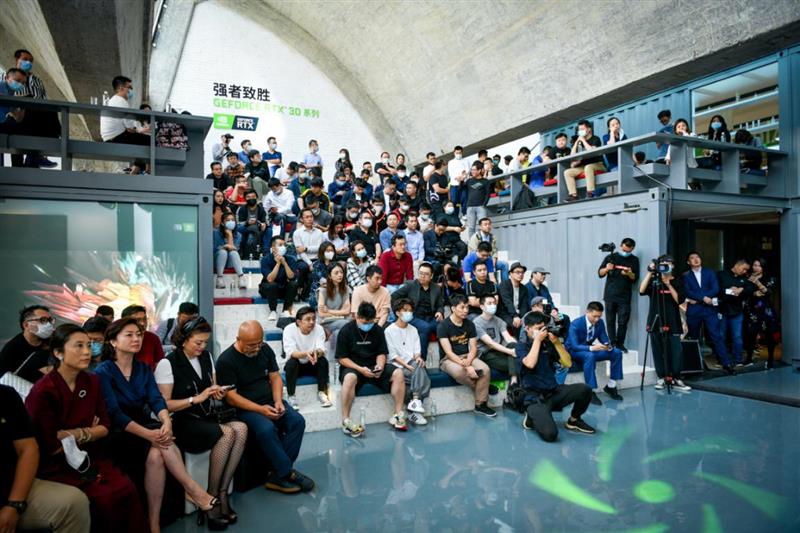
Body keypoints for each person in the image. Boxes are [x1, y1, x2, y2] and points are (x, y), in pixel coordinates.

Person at [94, 318, 219, 533]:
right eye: (129, 335)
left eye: (139, 334)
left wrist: (167, 421)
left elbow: (156, 399)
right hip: (119, 430)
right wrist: (150, 434)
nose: (136, 339)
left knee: (156, 455)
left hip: (145, 424)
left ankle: (154, 522)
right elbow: (114, 413)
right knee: (161, 444)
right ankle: (192, 490)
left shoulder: (142, 368)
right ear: (113, 341)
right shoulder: (103, 371)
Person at [23, 324, 146, 533]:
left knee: (127, 489)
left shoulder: (92, 381)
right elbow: (50, 443)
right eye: (79, 346)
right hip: (57, 465)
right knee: (103, 499)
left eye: (89, 345)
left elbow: (105, 426)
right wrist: (89, 431)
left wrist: (75, 434)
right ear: (58, 353)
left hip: (92, 456)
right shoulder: (44, 391)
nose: (87, 352)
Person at [155, 316, 248, 525]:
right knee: (227, 433)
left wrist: (217, 392)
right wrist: (195, 399)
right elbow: (164, 404)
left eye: (205, 342)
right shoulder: (168, 363)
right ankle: (211, 498)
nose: (203, 347)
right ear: (184, 339)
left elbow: (211, 389)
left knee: (241, 428)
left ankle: (221, 491)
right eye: (198, 342)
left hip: (205, 417)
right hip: (183, 421)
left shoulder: (207, 357)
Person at [216, 321, 312, 494]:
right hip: (245, 408)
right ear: (238, 339)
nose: (256, 348)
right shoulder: (226, 360)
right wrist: (260, 410)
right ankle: (286, 472)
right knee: (266, 429)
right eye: (251, 345)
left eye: (259, 343)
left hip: (270, 401)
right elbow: (231, 397)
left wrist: (278, 401)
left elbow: (275, 377)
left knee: (297, 421)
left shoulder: (265, 349)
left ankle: (277, 473)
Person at [1, 383, 91, 533]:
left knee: (75, 502)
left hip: (12, 486)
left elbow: (28, 449)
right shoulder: (43, 389)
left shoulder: (6, 395)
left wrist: (15, 504)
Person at [517, 312, 596, 441]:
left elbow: (568, 363)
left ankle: (574, 420)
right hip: (534, 397)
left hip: (553, 392)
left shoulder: (547, 344)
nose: (542, 331)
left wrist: (556, 343)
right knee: (550, 435)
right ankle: (531, 418)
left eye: (544, 328)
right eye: (538, 328)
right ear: (527, 328)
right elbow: (530, 364)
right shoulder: (521, 346)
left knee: (585, 389)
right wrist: (537, 340)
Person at [337, 303, 408, 436]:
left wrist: (380, 366)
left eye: (371, 322)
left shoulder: (377, 330)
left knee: (398, 373)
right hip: (354, 366)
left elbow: (382, 353)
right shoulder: (346, 331)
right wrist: (360, 369)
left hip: (373, 366)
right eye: (365, 322)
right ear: (357, 317)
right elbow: (342, 358)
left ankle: (398, 414)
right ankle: (346, 420)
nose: (368, 325)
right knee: (350, 378)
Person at [438, 294, 496, 417]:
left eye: (467, 307)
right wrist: (467, 366)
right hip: (448, 359)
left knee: (485, 369)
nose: (466, 310)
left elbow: (473, 347)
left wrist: (468, 361)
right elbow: (448, 352)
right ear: (453, 308)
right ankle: (483, 387)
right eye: (462, 307)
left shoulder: (470, 324)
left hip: (468, 356)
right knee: (459, 372)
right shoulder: (443, 325)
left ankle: (480, 405)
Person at [639, 257, 692, 391]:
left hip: (673, 320)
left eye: (668, 264)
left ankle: (676, 377)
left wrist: (669, 285)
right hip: (655, 320)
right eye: (662, 265)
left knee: (675, 351)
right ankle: (662, 377)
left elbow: (679, 300)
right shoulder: (654, 280)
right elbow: (641, 291)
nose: (665, 267)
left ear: (672, 266)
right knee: (658, 350)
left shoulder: (678, 280)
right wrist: (650, 272)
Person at [565, 301, 624, 405]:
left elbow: (604, 338)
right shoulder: (576, 324)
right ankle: (590, 391)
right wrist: (592, 348)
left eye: (599, 316)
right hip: (574, 351)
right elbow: (574, 346)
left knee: (616, 352)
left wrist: (608, 346)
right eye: (594, 316)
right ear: (587, 312)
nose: (597, 319)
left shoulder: (600, 323)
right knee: (590, 355)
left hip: (589, 350)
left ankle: (611, 386)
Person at [682, 251, 732, 373]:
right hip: (694, 311)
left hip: (710, 310)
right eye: (692, 258)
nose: (696, 259)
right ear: (688, 262)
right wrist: (703, 298)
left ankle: (726, 363)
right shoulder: (686, 275)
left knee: (716, 336)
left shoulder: (710, 272)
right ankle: (695, 365)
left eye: (697, 257)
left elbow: (715, 288)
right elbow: (687, 291)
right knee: (693, 338)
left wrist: (702, 297)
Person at [385, 299, 430, 426]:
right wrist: (406, 365)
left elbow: (417, 351)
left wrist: (418, 358)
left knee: (419, 365)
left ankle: (415, 401)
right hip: (397, 367)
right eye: (405, 310)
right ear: (397, 313)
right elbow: (392, 355)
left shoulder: (413, 330)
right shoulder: (389, 331)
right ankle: (415, 410)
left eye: (410, 310)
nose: (408, 313)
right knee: (422, 374)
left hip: (412, 365)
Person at [390, 262, 445, 360]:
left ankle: (443, 359)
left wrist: (440, 312)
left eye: (426, 274)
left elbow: (440, 305)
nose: (422, 276)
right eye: (420, 273)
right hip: (414, 317)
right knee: (425, 327)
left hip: (431, 317)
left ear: (431, 276)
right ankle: (421, 360)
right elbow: (393, 296)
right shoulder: (410, 285)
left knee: (443, 327)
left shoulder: (436, 288)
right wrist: (399, 313)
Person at [282, 308, 332, 411]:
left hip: (312, 363)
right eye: (308, 319)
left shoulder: (319, 329)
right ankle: (291, 396)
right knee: (291, 363)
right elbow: (292, 352)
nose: (312, 322)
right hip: (297, 365)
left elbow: (321, 349)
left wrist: (316, 353)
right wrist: (306, 354)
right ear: (299, 322)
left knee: (323, 361)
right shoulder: (289, 329)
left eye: (314, 319)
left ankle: (322, 392)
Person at [100, 76, 149, 174]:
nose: (131, 91)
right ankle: (147, 170)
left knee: (139, 139)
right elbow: (129, 123)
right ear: (121, 88)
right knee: (148, 140)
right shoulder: (121, 101)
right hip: (115, 138)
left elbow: (128, 125)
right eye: (129, 87)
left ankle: (137, 169)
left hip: (110, 138)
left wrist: (135, 129)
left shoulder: (113, 101)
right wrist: (140, 129)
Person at [597, 238, 640, 352]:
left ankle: (620, 344)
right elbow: (600, 273)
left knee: (623, 321)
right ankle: (612, 342)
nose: (626, 252)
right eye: (624, 250)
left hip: (624, 296)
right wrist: (607, 268)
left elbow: (634, 278)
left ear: (632, 249)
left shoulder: (634, 260)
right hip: (610, 295)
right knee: (610, 321)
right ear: (621, 246)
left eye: (629, 251)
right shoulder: (611, 257)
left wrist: (629, 273)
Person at [0, 305, 53, 386]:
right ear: (26, 325)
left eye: (50, 320)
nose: (49, 325)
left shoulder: (51, 341)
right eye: (43, 320)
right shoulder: (12, 349)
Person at [717, 259, 755, 367]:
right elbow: (717, 289)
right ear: (737, 265)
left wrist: (741, 289)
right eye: (744, 269)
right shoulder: (722, 274)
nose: (745, 271)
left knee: (737, 337)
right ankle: (723, 360)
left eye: (746, 270)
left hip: (737, 311)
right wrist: (730, 290)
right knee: (721, 336)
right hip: (722, 310)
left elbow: (751, 288)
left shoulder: (744, 278)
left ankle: (737, 360)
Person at [474, 295, 519, 384]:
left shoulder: (498, 320)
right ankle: (514, 382)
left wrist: (519, 348)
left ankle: (514, 379)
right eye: (489, 303)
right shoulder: (476, 323)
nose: (493, 305)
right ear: (482, 306)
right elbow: (490, 343)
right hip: (486, 353)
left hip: (499, 350)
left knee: (513, 344)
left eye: (494, 303)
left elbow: (508, 338)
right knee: (513, 364)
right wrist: (511, 352)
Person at [744, 258, 779, 368]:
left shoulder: (770, 278)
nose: (756, 267)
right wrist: (754, 293)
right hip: (752, 310)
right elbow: (744, 292)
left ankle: (770, 359)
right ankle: (749, 358)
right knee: (751, 334)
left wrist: (757, 282)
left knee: (769, 335)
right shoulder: (747, 278)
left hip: (766, 310)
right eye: (755, 265)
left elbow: (768, 292)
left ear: (763, 267)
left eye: (759, 266)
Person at [258, 236, 299, 321]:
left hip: (282, 287)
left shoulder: (290, 259)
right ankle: (273, 311)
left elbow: (291, 277)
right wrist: (278, 263)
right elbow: (270, 279)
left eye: (284, 245)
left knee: (293, 284)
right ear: (273, 248)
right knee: (272, 285)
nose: (283, 247)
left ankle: (286, 310)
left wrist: (284, 263)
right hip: (268, 288)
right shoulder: (265, 260)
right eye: (280, 245)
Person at [563, 120, 605, 201]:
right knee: (567, 172)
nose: (580, 131)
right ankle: (573, 195)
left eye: (582, 129)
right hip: (583, 166)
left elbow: (592, 151)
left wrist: (583, 140)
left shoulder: (595, 138)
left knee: (588, 167)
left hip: (598, 164)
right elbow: (572, 155)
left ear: (589, 129)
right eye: (579, 130)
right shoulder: (579, 142)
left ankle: (590, 193)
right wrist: (577, 142)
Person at [119, 305, 164, 371]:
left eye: (144, 319)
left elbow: (160, 363)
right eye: (138, 320)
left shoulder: (153, 338)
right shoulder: (118, 339)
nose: (143, 323)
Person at [294, 208, 326, 297]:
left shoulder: (319, 232)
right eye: (307, 217)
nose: (309, 219)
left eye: (311, 216)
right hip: (303, 260)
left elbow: (320, 248)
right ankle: (298, 290)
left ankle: (307, 294)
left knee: (315, 271)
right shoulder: (297, 233)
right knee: (303, 267)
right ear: (301, 219)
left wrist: (306, 248)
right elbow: (300, 252)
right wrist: (309, 263)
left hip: (316, 259)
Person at [467, 217, 508, 282]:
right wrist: (485, 261)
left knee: (504, 264)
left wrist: (494, 259)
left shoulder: (493, 237)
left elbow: (495, 251)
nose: (488, 226)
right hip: (478, 262)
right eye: (485, 224)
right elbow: (474, 253)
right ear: (480, 226)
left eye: (489, 224)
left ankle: (505, 284)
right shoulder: (475, 237)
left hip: (490, 260)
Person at [317, 263, 352, 335]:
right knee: (346, 323)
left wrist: (328, 311)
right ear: (330, 276)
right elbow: (322, 313)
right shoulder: (322, 290)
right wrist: (340, 313)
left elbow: (347, 311)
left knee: (339, 331)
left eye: (341, 272)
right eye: (336, 273)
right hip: (327, 322)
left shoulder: (346, 288)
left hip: (342, 319)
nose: (340, 275)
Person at [497, 261, 531, 336]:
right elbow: (507, 302)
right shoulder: (504, 285)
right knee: (515, 324)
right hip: (505, 313)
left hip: (518, 314)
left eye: (522, 272)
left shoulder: (524, 288)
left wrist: (522, 318)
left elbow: (524, 306)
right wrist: (515, 316)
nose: (520, 274)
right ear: (511, 274)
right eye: (517, 272)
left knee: (529, 322)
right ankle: (516, 342)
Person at [214, 212, 246, 289]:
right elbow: (215, 249)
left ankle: (241, 278)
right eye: (228, 220)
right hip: (218, 261)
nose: (231, 222)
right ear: (222, 223)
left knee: (233, 252)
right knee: (223, 252)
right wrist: (224, 247)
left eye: (232, 220)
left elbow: (233, 249)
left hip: (231, 262)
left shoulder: (238, 235)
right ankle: (219, 278)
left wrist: (230, 235)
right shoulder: (215, 233)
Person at [237, 188, 268, 258]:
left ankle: (266, 252)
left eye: (253, 196)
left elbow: (265, 221)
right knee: (250, 228)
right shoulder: (241, 209)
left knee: (269, 230)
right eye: (248, 197)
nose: (251, 198)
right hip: (245, 228)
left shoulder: (261, 209)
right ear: (245, 199)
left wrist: (264, 224)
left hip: (258, 228)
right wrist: (247, 223)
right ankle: (254, 252)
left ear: (257, 197)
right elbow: (239, 224)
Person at [308, 241, 337, 310]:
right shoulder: (316, 264)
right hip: (319, 291)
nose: (330, 252)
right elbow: (321, 280)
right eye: (328, 251)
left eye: (332, 250)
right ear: (322, 252)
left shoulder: (336, 264)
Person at [465, 161, 491, 236]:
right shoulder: (469, 181)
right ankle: (471, 243)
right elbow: (461, 190)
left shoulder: (485, 181)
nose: (472, 171)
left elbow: (488, 194)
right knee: (471, 228)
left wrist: (484, 204)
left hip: (481, 207)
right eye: (472, 170)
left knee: (484, 227)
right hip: (470, 207)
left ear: (479, 170)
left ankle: (484, 242)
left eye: (474, 170)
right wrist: (461, 181)